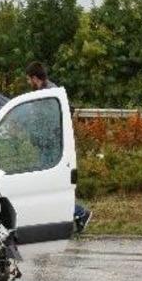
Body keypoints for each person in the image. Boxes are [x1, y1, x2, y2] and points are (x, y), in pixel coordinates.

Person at [25, 61, 93, 233]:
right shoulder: (46, 92)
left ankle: (79, 212)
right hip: (46, 145)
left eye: (28, 79)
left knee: (49, 186)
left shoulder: (50, 93)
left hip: (51, 147)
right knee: (47, 186)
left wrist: (44, 136)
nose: (28, 82)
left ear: (35, 78)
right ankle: (63, 217)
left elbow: (50, 120)